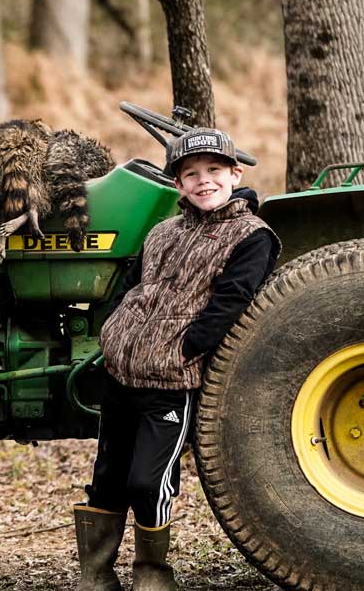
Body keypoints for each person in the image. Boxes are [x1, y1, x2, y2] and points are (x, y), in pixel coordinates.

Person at [73, 128, 280, 591]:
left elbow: (230, 302)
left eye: (213, 171)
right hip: (122, 373)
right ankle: (96, 577)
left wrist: (184, 350)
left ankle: (152, 575)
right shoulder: (163, 231)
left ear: (234, 174)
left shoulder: (252, 236)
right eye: (191, 174)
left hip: (171, 379)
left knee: (149, 482)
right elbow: (130, 287)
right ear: (179, 184)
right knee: (107, 480)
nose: (204, 181)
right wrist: (113, 333)